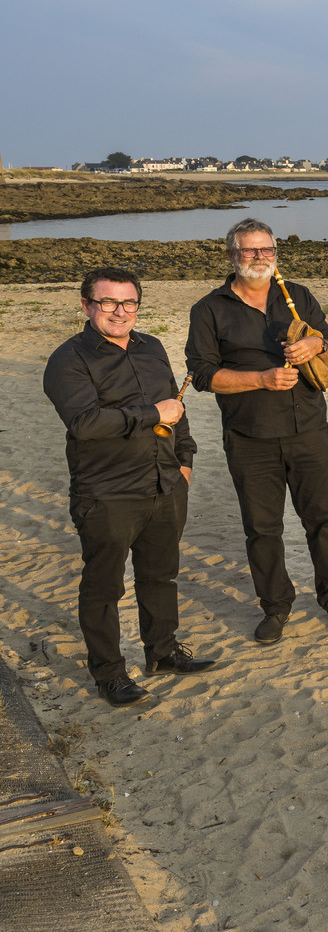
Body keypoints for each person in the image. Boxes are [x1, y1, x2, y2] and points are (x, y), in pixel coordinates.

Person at [44, 268, 216, 706]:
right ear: (86, 306)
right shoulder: (69, 359)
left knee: (160, 576)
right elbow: (84, 424)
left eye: (128, 303)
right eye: (107, 302)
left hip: (164, 484)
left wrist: (186, 460)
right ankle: (110, 675)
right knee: (103, 588)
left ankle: (161, 652)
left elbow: (176, 407)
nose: (119, 312)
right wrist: (151, 415)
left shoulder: (152, 347)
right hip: (106, 493)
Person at [185, 218, 328, 645]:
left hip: (308, 430)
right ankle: (276, 607)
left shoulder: (297, 296)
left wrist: (316, 345)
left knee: (323, 521)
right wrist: (260, 380)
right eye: (250, 251)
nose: (260, 258)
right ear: (231, 256)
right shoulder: (208, 309)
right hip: (249, 436)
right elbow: (203, 374)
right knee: (263, 529)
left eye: (267, 250)